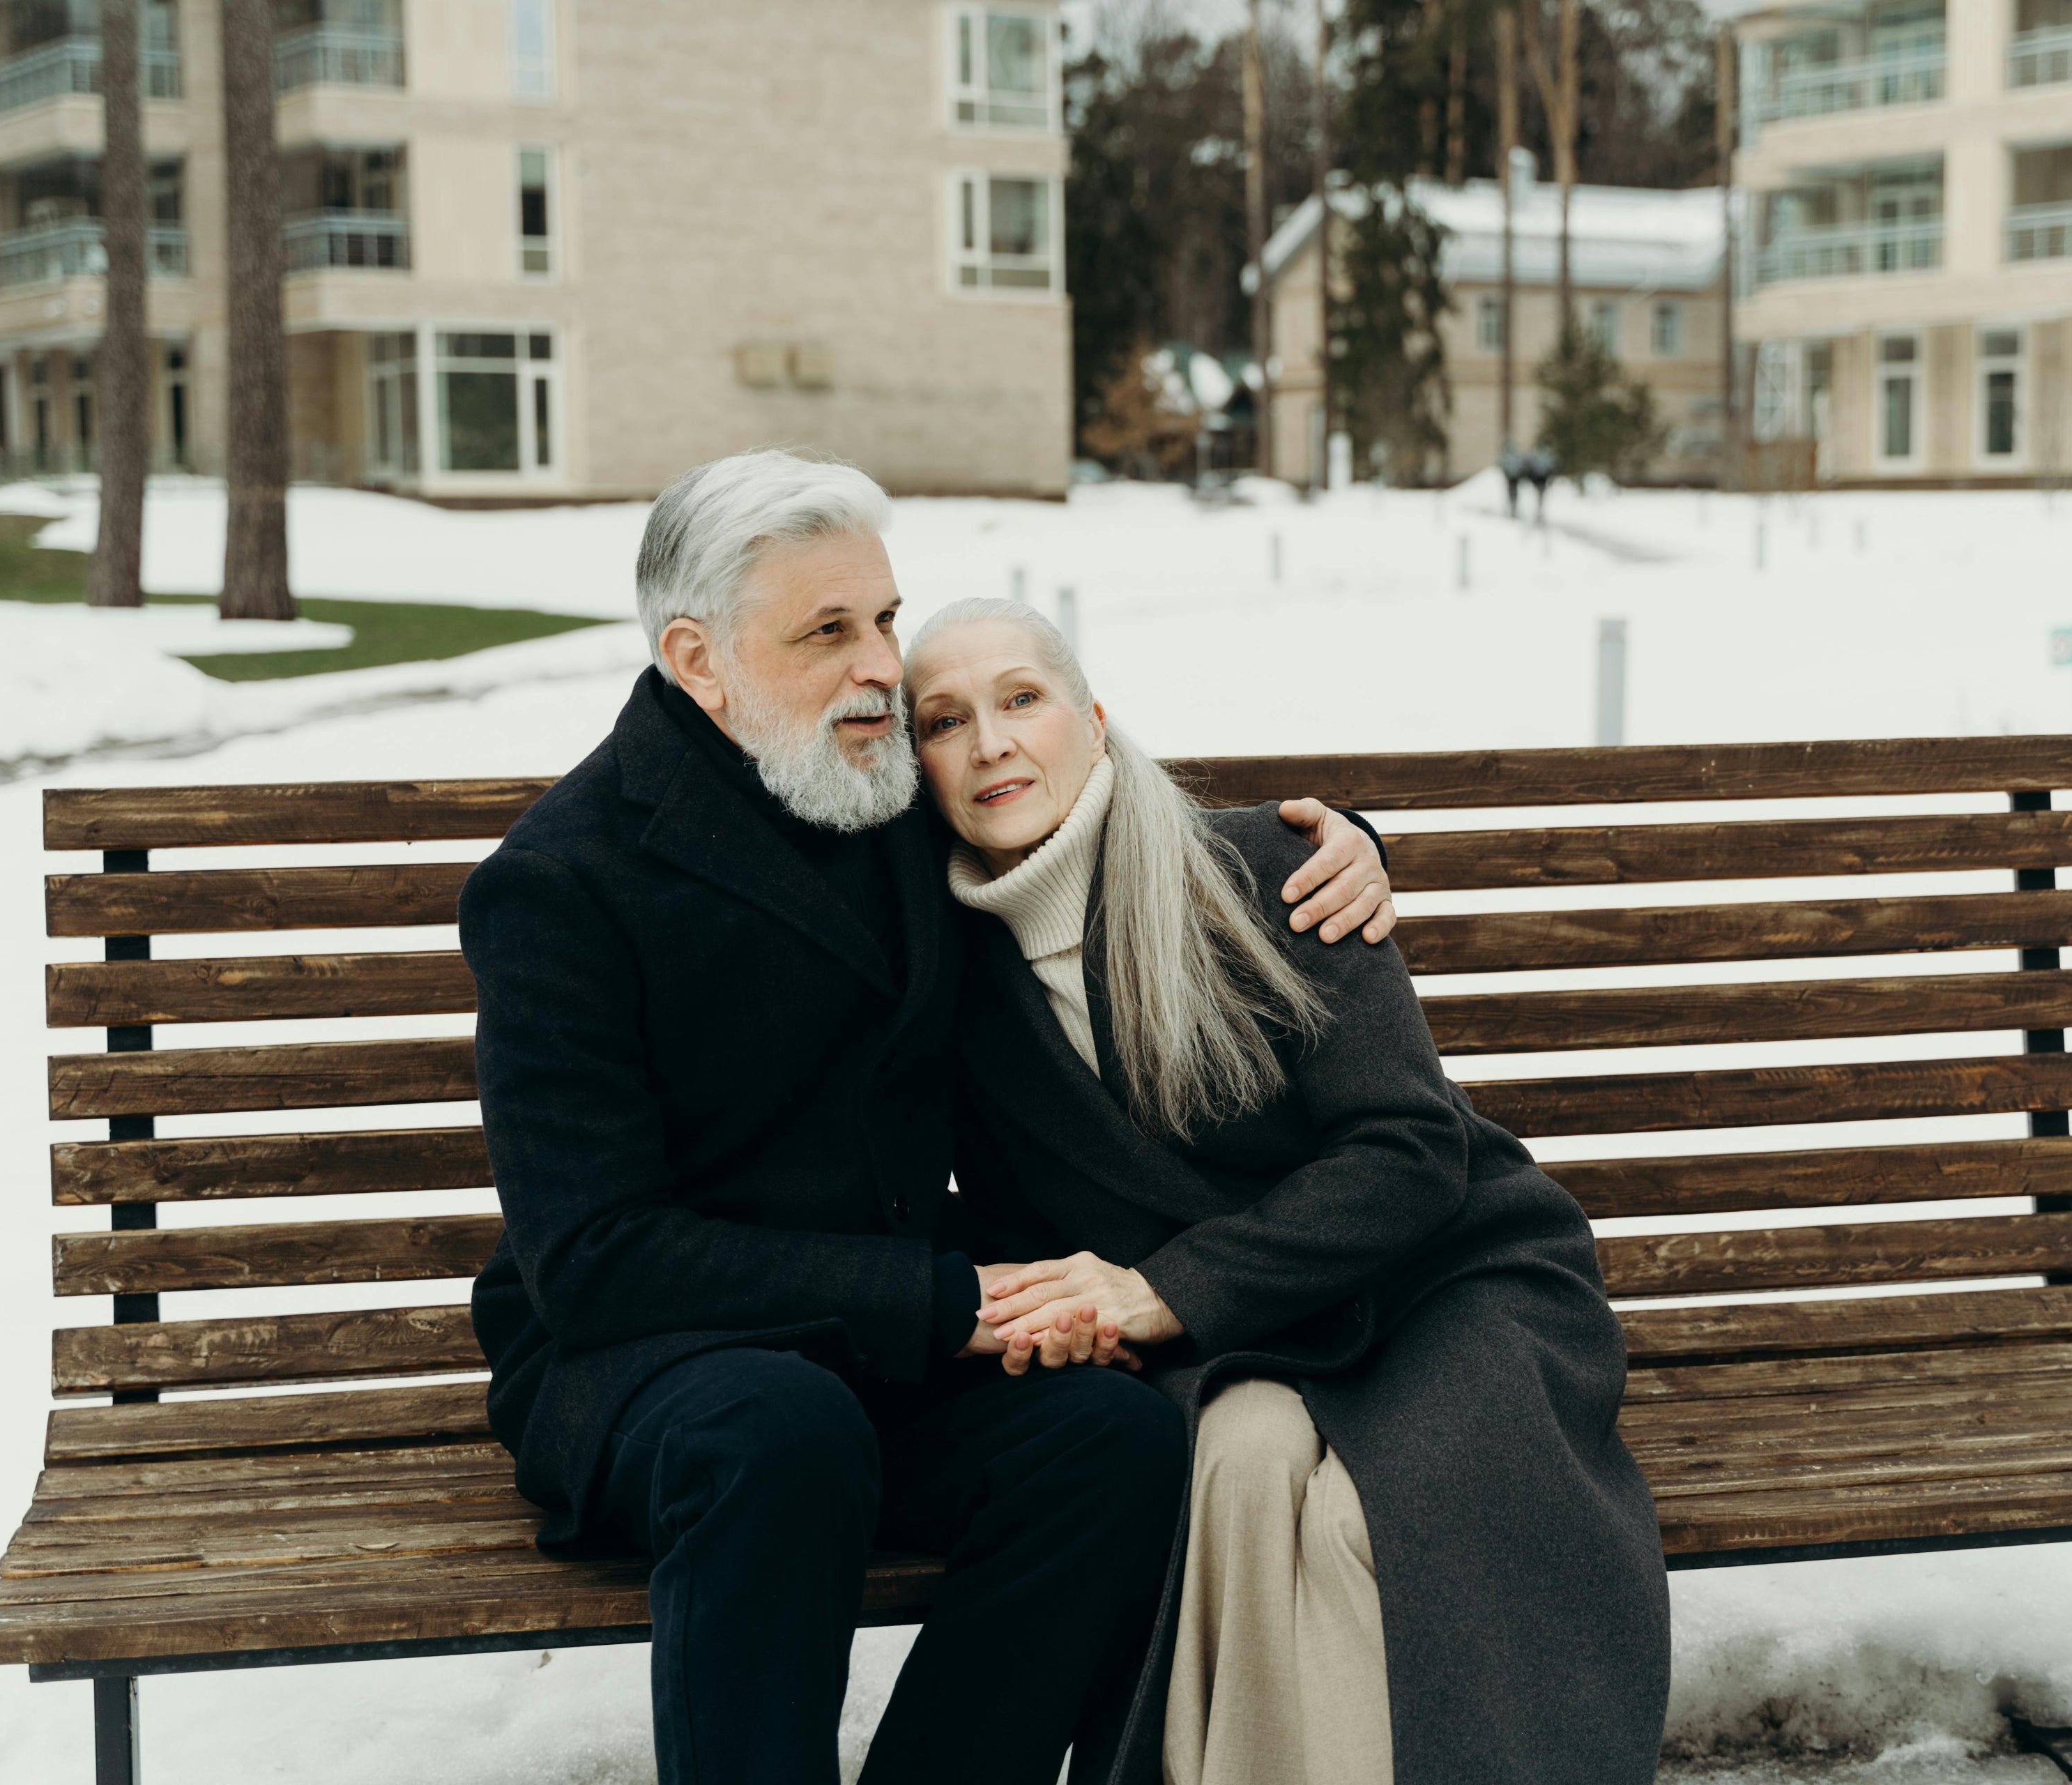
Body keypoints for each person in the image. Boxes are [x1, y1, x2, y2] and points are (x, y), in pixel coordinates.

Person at [459, 450, 1399, 1785]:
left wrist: (1333, 842)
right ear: (698, 658)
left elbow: (1089, 812)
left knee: (1116, 1442)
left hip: (876, 1354)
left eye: (886, 620)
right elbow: (594, 1258)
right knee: (781, 1432)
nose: (879, 669)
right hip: (650, 1364)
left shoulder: (877, 783)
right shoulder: (564, 883)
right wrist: (936, 1301)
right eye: (827, 632)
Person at [904, 598, 1674, 1785]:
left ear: (1093, 721)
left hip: (1442, 1280)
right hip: (1241, 1336)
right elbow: (1020, 1213)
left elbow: (1411, 1149)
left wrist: (1164, 1290)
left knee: (1371, 1522)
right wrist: (1065, 1307)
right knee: (1242, 1471)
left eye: (1021, 699)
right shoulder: (948, 976)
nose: (990, 742)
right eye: (944, 721)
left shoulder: (1269, 868)